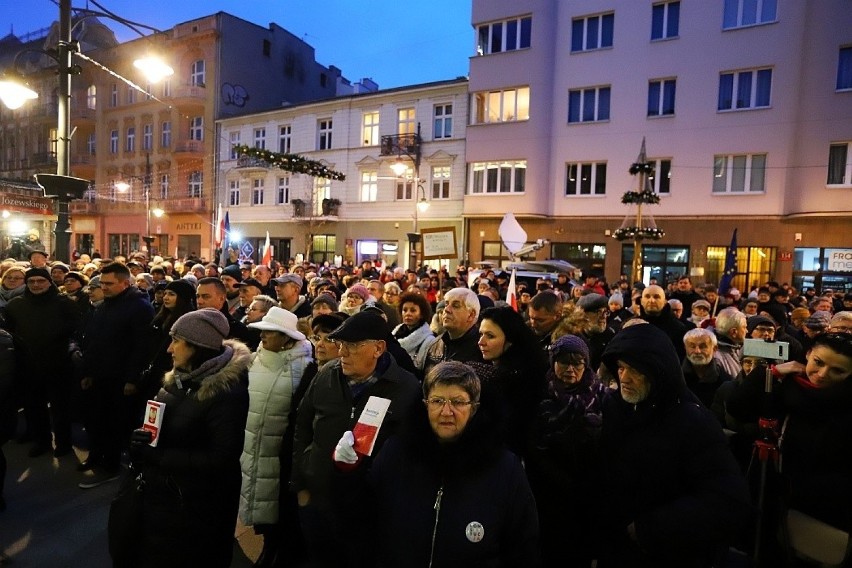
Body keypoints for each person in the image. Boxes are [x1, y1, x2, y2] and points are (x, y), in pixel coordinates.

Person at [332, 361, 540, 566]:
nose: (446, 412)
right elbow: (361, 517)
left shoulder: (503, 468)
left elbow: (522, 545)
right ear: (425, 405)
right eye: (438, 401)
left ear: (474, 408)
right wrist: (348, 473)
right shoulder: (396, 454)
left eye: (458, 402)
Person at [595, 324, 751, 566]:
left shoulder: (692, 421)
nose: (624, 378)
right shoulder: (616, 406)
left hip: (668, 550)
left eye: (635, 370)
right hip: (617, 546)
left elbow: (726, 498)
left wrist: (649, 528)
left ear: (658, 372)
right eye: (621, 368)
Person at [291, 310, 420, 567]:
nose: (342, 353)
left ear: (378, 348)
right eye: (341, 345)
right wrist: (301, 487)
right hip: (319, 502)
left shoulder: (406, 388)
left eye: (352, 346)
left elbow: (412, 451)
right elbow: (302, 426)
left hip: (370, 512)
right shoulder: (327, 375)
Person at [125, 309, 251, 567]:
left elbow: (222, 458)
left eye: (176, 341)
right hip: (163, 497)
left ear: (197, 347)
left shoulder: (226, 394)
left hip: (196, 505)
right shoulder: (178, 379)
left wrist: (159, 457)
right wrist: (142, 440)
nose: (169, 349)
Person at [727, 333, 852, 550]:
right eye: (818, 362)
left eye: (838, 370)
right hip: (770, 494)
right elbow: (738, 408)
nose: (822, 374)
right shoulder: (789, 388)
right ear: (808, 354)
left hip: (822, 510)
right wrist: (771, 373)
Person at [240, 307, 313, 568]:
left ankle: (280, 551)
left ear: (286, 337)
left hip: (281, 449)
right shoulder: (255, 360)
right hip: (253, 444)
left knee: (280, 507)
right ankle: (269, 546)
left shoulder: (303, 366)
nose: (263, 336)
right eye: (262, 331)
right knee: (260, 503)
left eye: (270, 332)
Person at [528, 334, 606, 566]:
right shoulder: (539, 395)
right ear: (553, 363)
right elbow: (533, 445)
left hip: (588, 494)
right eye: (564, 362)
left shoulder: (601, 396)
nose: (570, 369)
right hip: (548, 493)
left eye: (577, 363)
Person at [79, 262, 154, 487]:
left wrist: (132, 378)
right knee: (96, 419)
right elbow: (94, 341)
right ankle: (95, 456)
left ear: (125, 283)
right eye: (102, 283)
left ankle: (109, 466)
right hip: (100, 376)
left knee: (115, 424)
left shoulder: (139, 307)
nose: (104, 287)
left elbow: (141, 348)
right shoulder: (104, 306)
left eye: (109, 283)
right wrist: (88, 372)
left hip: (120, 378)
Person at [3, 267, 81, 457]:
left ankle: (64, 444)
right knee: (34, 408)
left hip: (58, 365)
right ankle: (42, 442)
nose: (36, 285)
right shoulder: (16, 305)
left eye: (40, 281)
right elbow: (11, 333)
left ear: (49, 282)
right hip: (29, 367)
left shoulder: (65, 304)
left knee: (60, 409)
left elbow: (75, 331)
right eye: (31, 282)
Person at [476, 306, 548, 457]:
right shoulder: (494, 370)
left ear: (510, 341)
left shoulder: (517, 379)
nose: (481, 342)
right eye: (481, 334)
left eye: (490, 336)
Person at [392, 291, 436, 371]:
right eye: (404, 310)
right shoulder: (394, 334)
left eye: (413, 310)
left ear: (421, 314)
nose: (408, 314)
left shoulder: (429, 341)